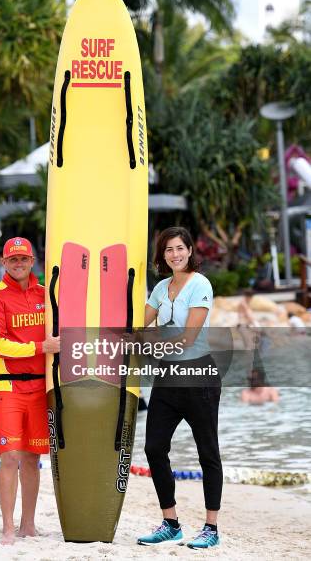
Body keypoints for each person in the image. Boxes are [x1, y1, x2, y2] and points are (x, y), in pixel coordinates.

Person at [137, 227, 221, 550]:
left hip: (199, 377)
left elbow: (187, 338)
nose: (175, 254)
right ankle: (170, 523)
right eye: (169, 250)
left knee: (207, 452)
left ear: (189, 251)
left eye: (180, 248)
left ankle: (211, 528)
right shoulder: (160, 289)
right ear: (164, 255)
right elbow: (141, 326)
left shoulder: (200, 285)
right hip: (168, 379)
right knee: (154, 447)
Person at [0, 237, 60, 545]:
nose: (19, 264)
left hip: (41, 386)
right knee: (10, 455)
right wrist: (40, 347)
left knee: (32, 457)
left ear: (32, 261)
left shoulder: (45, 295)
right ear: (3, 262)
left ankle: (29, 525)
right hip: (7, 385)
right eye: (13, 259)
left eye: (23, 259)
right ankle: (8, 528)